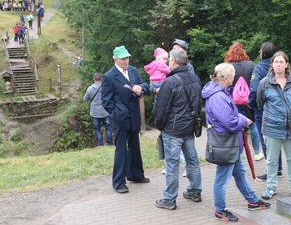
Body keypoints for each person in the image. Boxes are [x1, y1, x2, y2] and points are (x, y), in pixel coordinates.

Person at [202, 63, 270, 222]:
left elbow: (228, 118)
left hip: (230, 144)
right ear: (226, 79)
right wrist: (243, 121)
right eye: (232, 76)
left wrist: (239, 119)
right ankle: (220, 210)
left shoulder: (220, 92)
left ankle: (252, 200)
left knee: (240, 173)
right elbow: (229, 122)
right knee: (222, 178)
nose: (235, 78)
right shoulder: (218, 97)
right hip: (226, 144)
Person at [153, 48, 203, 210]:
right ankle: (195, 191)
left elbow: (161, 108)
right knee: (192, 160)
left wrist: (160, 125)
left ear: (173, 62)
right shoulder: (195, 79)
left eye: (169, 61)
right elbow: (199, 102)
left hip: (173, 130)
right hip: (189, 128)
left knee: (172, 164)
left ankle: (169, 199)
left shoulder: (170, 82)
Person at [100, 46, 150, 193]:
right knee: (121, 149)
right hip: (120, 119)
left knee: (135, 146)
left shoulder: (133, 70)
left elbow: (144, 85)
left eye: (127, 58)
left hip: (134, 115)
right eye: (123, 59)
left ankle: (135, 175)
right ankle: (119, 182)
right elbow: (106, 101)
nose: (126, 61)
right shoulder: (109, 76)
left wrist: (140, 88)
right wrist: (117, 114)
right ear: (115, 59)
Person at [256, 51, 291, 200]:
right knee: (271, 159)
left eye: (281, 62)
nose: (278, 65)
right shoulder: (265, 83)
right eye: (276, 62)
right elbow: (260, 102)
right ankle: (271, 187)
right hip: (272, 127)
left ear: (286, 64)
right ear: (272, 64)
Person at [224, 42, 263, 161]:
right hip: (248, 100)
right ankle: (256, 153)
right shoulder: (250, 65)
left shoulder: (228, 66)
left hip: (233, 100)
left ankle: (239, 153)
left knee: (237, 126)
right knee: (253, 125)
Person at [249, 42, 280, 181]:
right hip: (278, 108)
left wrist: (251, 103)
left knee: (266, 140)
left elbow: (254, 89)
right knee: (276, 138)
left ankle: (271, 170)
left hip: (263, 110)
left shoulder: (259, 68)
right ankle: (278, 168)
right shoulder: (280, 67)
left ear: (263, 53)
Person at [83, 73, 113, 146]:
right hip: (105, 111)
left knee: (97, 129)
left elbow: (85, 99)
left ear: (93, 79)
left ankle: (100, 144)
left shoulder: (90, 89)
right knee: (108, 127)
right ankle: (110, 143)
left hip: (95, 112)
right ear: (102, 79)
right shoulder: (106, 88)